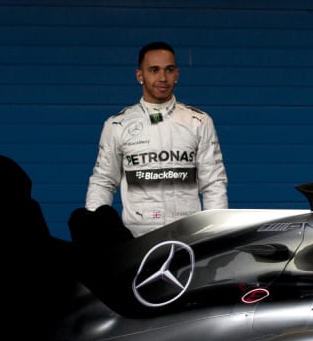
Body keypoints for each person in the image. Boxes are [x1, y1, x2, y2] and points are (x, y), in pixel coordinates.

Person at [85, 41, 227, 236]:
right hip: (136, 240)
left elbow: (213, 184)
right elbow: (103, 181)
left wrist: (216, 234)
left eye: (169, 70)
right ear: (140, 76)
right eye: (154, 70)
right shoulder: (117, 125)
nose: (162, 78)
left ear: (177, 74)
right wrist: (92, 231)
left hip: (188, 237)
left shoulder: (199, 121)